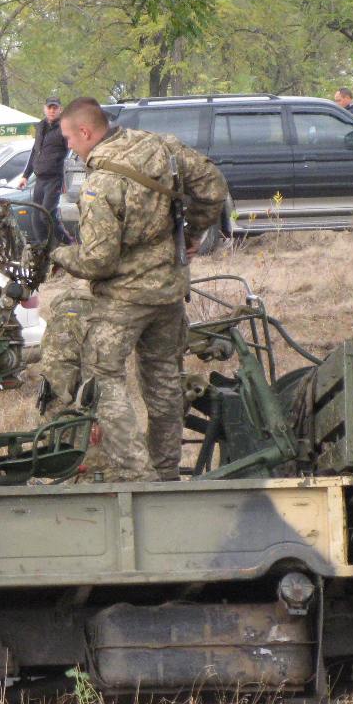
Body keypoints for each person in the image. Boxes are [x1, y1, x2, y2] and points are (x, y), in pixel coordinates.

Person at [50, 97, 226, 483]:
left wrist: (60, 254)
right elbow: (213, 186)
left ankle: (136, 476)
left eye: (68, 139)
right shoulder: (159, 146)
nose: (69, 148)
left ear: (85, 132)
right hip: (168, 292)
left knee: (103, 377)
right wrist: (193, 233)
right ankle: (165, 473)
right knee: (164, 378)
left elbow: (99, 262)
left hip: (125, 300)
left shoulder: (99, 187)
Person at [35, 285, 106, 479]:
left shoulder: (61, 320)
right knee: (85, 460)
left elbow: (54, 367)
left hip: (64, 401)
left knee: (69, 460)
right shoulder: (90, 320)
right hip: (77, 400)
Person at [16, 96, 70, 244]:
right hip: (40, 179)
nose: (52, 111)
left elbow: (70, 150)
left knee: (46, 215)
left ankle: (67, 243)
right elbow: (35, 151)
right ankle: (43, 249)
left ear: (60, 109)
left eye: (55, 108)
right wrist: (25, 175)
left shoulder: (64, 128)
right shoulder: (40, 126)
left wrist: (62, 173)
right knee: (36, 217)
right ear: (45, 109)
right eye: (49, 108)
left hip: (54, 178)